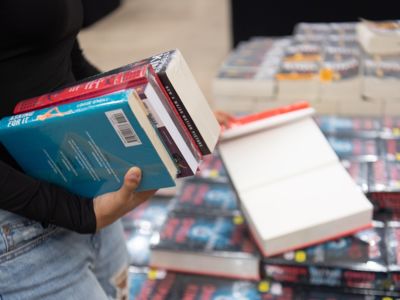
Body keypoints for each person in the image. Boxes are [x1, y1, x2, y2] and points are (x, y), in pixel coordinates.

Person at [0, 1, 232, 299]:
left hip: (83, 181)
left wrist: (165, 114)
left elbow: (64, 55)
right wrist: (77, 212)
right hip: (21, 223)